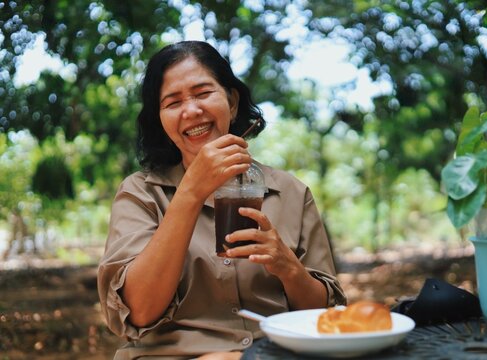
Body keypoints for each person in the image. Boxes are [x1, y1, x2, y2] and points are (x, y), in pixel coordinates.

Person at [97, 40, 346, 360]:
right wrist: (191, 191)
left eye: (202, 93)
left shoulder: (291, 193)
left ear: (231, 102)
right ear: (160, 118)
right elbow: (139, 311)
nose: (191, 110)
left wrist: (288, 267)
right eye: (173, 102)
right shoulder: (140, 194)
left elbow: (327, 318)